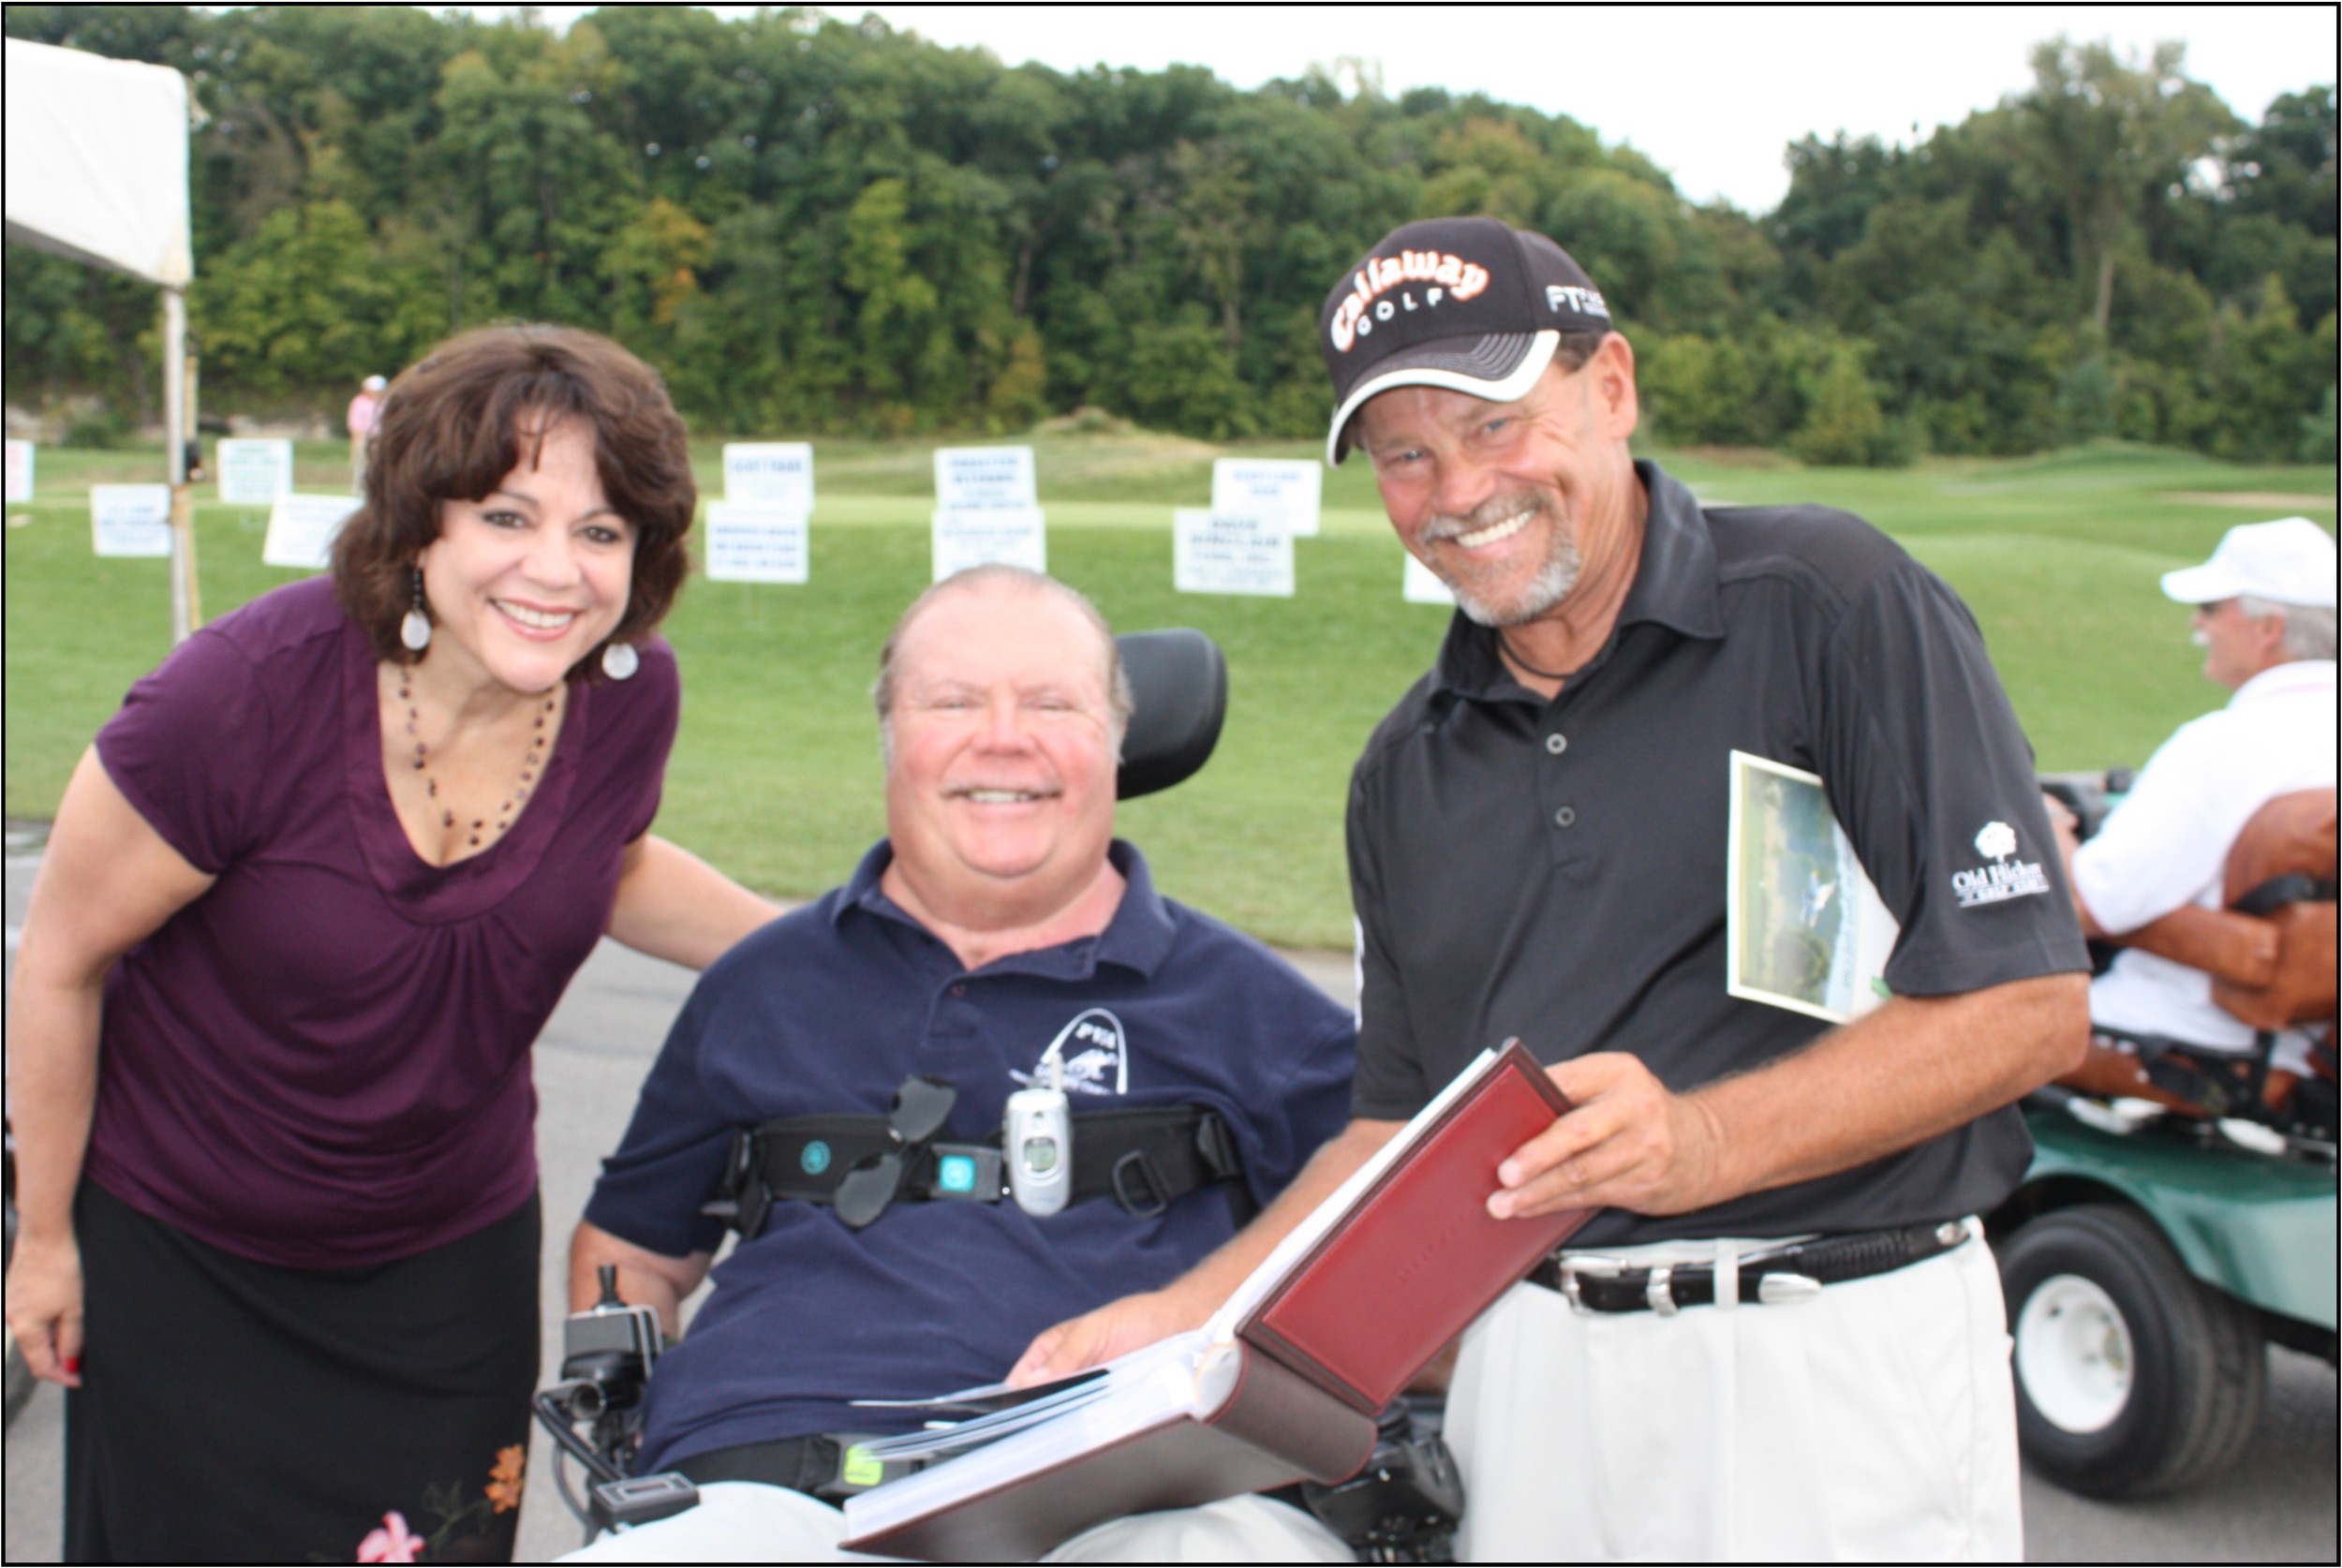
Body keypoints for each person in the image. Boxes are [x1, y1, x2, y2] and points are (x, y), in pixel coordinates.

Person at [1011, 218, 2091, 1561]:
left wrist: (1700, 1140)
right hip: (1533, 1385)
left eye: (1497, 424)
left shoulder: (1829, 602)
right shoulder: (1403, 768)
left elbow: (2030, 1003)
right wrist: (1189, 1307)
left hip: (1836, 1353)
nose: (1457, 489)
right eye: (1405, 453)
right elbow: (1390, 1131)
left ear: (1615, 388)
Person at [5, 325, 778, 1563]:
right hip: (187, 1259)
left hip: (443, 1277)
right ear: (419, 522)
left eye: (602, 531)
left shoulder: (628, 694)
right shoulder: (241, 695)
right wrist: (44, 1239)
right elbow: (58, 959)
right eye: (509, 516)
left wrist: (821, 946)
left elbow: (605, 859)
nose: (559, 571)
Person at [564, 566, 1357, 1562]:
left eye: (1051, 703)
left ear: (1116, 738)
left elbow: (1405, 1271)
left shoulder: (1254, 1010)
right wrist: (632, 1385)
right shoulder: (762, 983)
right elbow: (629, 1249)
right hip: (781, 1486)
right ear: (892, 736)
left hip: (1138, 1496)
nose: (1004, 738)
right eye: (953, 702)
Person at [2058, 518, 2337, 1086]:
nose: (2198, 622)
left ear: (2268, 629)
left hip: (2187, 1037)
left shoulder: (2225, 743)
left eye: (2211, 607)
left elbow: (2084, 904)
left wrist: (2049, 829)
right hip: (2312, 1049)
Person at [348, 371, 387, 492]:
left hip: (382, 437)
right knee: (361, 465)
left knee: (380, 465)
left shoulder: (386, 402)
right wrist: (357, 441)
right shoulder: (359, 402)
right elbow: (355, 424)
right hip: (364, 437)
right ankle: (358, 490)